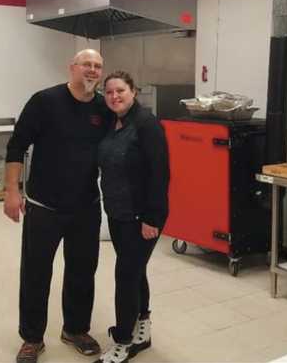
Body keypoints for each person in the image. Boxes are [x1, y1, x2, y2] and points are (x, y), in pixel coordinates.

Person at [4, 49, 112, 363]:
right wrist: (12, 191)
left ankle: (75, 329)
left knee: (82, 271)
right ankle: (32, 338)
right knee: (36, 273)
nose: (92, 70)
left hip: (86, 207)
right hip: (43, 206)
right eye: (87, 65)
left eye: (98, 66)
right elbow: (17, 145)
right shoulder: (45, 102)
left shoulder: (102, 108)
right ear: (72, 68)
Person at [95, 71, 169, 363]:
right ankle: (143, 330)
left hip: (143, 216)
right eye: (109, 92)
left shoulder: (147, 125)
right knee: (135, 270)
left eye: (120, 91)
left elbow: (160, 174)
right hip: (118, 212)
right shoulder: (112, 123)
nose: (114, 96)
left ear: (133, 91)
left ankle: (123, 342)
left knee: (125, 275)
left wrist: (151, 218)